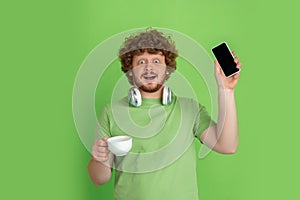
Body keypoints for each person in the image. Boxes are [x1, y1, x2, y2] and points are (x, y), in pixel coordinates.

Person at [87, 28, 242, 200]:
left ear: (167, 69)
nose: (149, 68)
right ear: (130, 71)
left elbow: (227, 146)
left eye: (156, 61)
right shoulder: (111, 112)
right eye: (141, 62)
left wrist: (226, 90)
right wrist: (98, 159)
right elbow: (99, 179)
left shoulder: (190, 109)